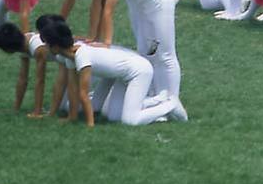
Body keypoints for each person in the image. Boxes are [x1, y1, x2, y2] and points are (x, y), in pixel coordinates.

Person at [44, 20, 180, 127]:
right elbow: (73, 89)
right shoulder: (70, 57)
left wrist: (90, 125)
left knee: (130, 121)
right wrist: (71, 117)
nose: (44, 48)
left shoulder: (81, 55)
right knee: (114, 117)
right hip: (122, 75)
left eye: (46, 44)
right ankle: (158, 100)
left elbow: (83, 93)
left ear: (55, 46)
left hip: (139, 71)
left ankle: (170, 103)